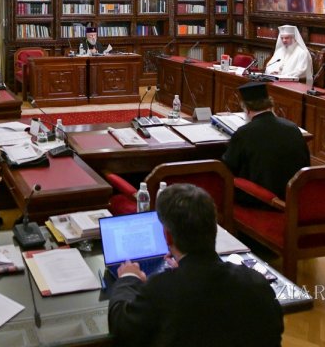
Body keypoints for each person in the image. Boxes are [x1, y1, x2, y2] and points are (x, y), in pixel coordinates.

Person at [108, 183, 283, 347]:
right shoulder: (256, 283)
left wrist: (128, 278)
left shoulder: (160, 289)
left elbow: (122, 327)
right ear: (214, 228)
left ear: (167, 236)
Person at [222, 80, 310, 201]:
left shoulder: (244, 132)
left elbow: (228, 167)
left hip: (259, 200)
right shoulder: (293, 128)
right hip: (294, 197)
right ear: (270, 105)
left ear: (247, 109)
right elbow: (306, 163)